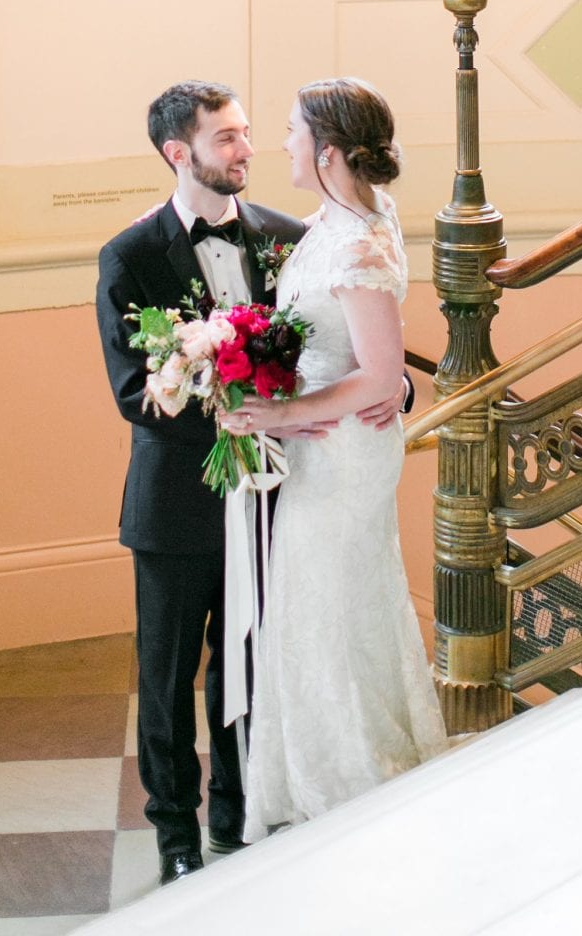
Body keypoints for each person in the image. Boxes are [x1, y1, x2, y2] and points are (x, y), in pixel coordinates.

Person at [96, 80, 407, 885]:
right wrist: (239, 414)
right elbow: (136, 392)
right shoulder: (129, 256)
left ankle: (239, 809)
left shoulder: (289, 235)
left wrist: (392, 388)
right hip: (177, 502)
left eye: (247, 133)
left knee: (255, 659)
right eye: (227, 139)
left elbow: (348, 336)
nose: (247, 150)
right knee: (167, 676)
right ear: (179, 152)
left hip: (284, 493)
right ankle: (174, 834)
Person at [219, 76, 447, 839]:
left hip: (344, 451)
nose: (280, 143)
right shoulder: (341, 221)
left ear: (328, 151)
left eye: (290, 131)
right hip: (328, 443)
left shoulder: (359, 242)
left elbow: (381, 375)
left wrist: (282, 412)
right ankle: (325, 767)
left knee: (328, 606)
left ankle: (351, 779)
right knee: (331, 603)